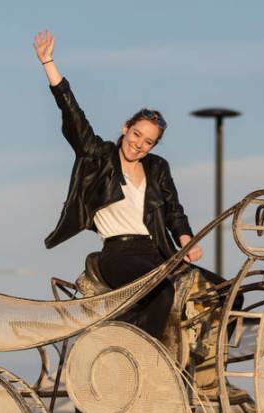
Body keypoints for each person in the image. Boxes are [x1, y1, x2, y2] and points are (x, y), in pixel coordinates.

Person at [33, 29, 201, 341]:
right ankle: (141, 358)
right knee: (161, 292)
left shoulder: (158, 167)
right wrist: (49, 64)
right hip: (118, 254)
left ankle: (206, 375)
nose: (139, 145)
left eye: (148, 142)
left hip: (158, 252)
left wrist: (185, 238)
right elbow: (73, 116)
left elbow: (174, 210)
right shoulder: (99, 157)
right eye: (136, 134)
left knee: (219, 296)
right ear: (126, 128)